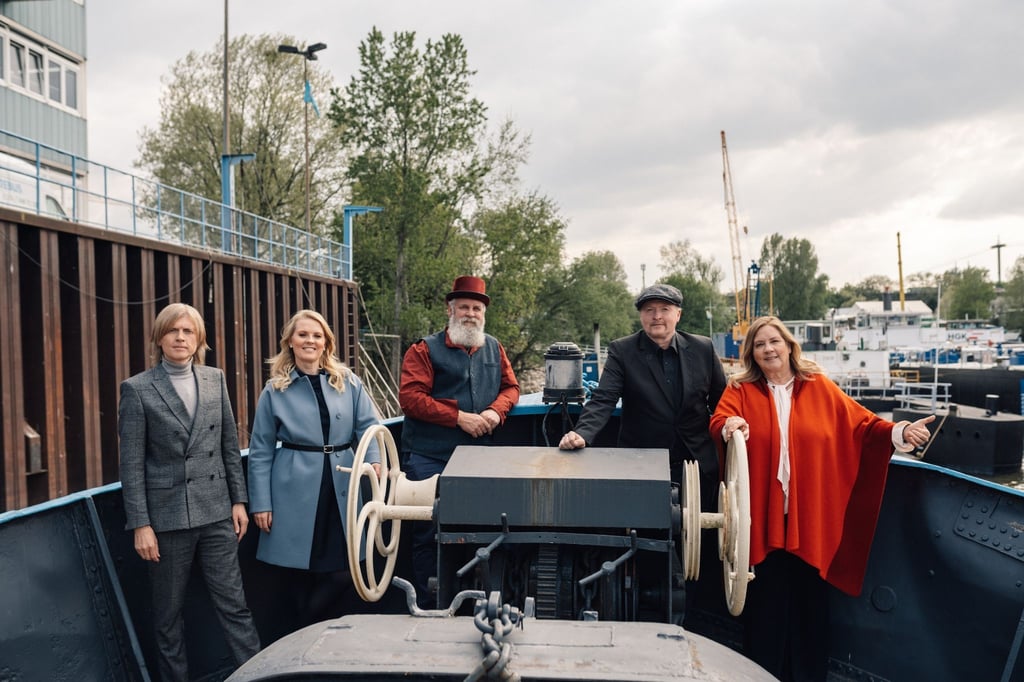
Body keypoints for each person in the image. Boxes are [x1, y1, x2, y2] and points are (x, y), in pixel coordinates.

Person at [710, 316, 935, 682]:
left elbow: (862, 425)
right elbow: (720, 420)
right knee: (765, 610)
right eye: (759, 344)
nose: (768, 349)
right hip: (761, 522)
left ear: (788, 345)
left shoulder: (819, 387)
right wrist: (729, 426)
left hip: (808, 520)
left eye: (774, 342)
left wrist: (901, 431)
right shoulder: (741, 390)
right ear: (751, 353)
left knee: (811, 609)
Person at [119, 302, 259, 681]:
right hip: (166, 521)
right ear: (159, 338)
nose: (180, 338)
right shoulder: (137, 390)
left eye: (188, 331)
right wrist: (141, 525)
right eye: (172, 331)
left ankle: (258, 675)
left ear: (199, 340)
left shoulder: (215, 379)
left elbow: (230, 445)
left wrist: (238, 500)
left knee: (235, 606)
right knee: (168, 617)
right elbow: (131, 465)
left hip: (216, 513)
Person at [247, 309, 382, 629]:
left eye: (317, 335)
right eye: (303, 335)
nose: (310, 340)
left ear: (326, 343)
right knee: (299, 572)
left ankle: (310, 627)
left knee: (345, 570)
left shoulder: (349, 382)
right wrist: (261, 502)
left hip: (342, 484)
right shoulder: (275, 389)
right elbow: (261, 450)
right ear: (290, 342)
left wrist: (374, 459)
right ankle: (302, 637)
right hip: (293, 487)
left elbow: (368, 426)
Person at [398, 275, 521, 608]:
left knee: (481, 529)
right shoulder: (424, 349)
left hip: (477, 459)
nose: (470, 313)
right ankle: (427, 603)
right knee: (427, 531)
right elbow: (410, 398)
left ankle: (476, 602)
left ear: (483, 313)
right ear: (449, 310)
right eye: (464, 307)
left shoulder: (494, 347)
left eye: (476, 308)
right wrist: (458, 417)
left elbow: (512, 388)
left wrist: (496, 413)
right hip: (428, 455)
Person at [559, 283, 727, 504]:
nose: (657, 316)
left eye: (664, 309)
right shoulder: (622, 351)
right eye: (649, 310)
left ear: (678, 314)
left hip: (697, 461)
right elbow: (604, 398)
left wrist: (733, 422)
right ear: (641, 316)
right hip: (642, 462)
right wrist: (582, 433)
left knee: (703, 534)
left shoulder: (702, 348)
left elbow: (722, 401)